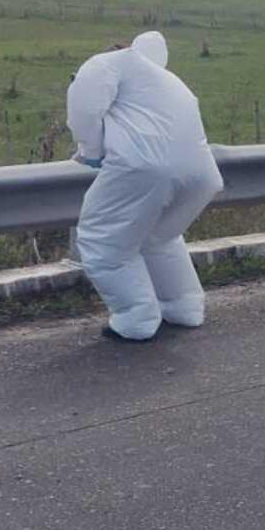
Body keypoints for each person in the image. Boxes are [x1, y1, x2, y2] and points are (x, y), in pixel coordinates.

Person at [66, 31, 224, 342]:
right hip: (203, 174)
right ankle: (185, 308)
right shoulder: (168, 81)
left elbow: (83, 110)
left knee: (105, 243)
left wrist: (91, 152)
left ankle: (136, 319)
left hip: (144, 167)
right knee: (159, 238)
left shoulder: (106, 64)